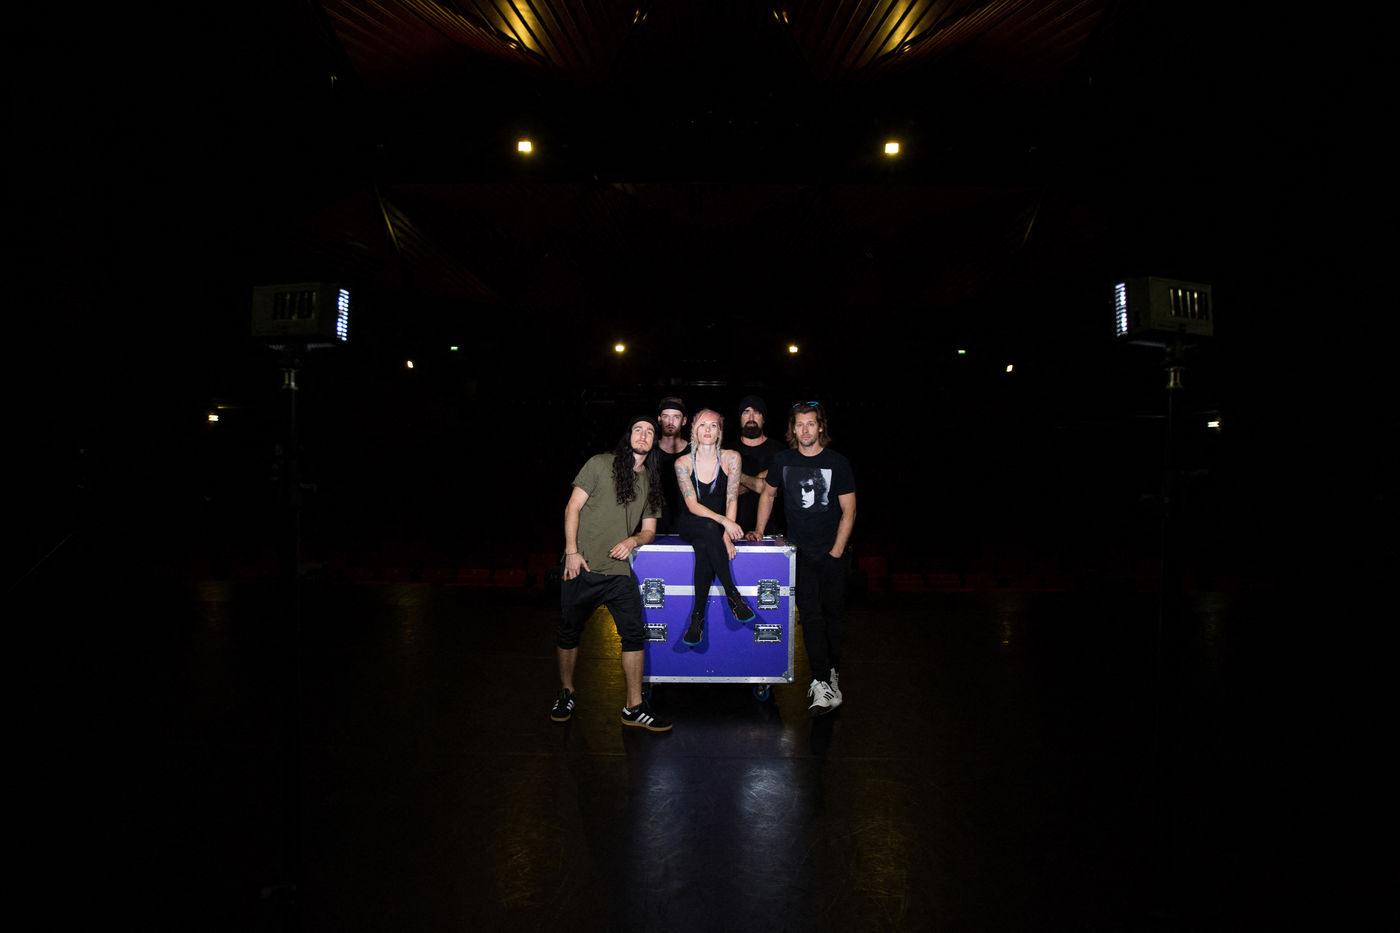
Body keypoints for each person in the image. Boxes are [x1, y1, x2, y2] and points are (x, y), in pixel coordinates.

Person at [552, 415, 672, 732]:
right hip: (583, 565)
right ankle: (566, 692)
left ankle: (633, 707)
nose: (643, 435)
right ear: (628, 435)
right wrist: (572, 552)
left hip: (619, 573)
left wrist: (633, 541)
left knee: (633, 634)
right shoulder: (600, 464)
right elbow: (572, 507)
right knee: (569, 631)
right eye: (638, 429)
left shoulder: (650, 481)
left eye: (650, 431)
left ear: (655, 442)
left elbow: (649, 531)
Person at [747, 402, 856, 717]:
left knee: (833, 617)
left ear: (820, 427)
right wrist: (759, 530)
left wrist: (836, 552)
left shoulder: (837, 463)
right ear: (793, 429)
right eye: (799, 424)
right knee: (810, 617)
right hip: (801, 554)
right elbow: (768, 494)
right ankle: (821, 682)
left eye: (811, 424)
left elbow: (849, 510)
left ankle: (832, 673)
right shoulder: (783, 460)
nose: (805, 430)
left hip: (834, 553)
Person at [675, 408, 757, 646]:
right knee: (708, 530)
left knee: (704, 546)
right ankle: (733, 594)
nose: (708, 430)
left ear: (720, 431)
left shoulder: (731, 458)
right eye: (702, 425)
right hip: (691, 522)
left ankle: (697, 618)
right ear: (694, 431)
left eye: (713, 425)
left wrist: (727, 537)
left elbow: (732, 499)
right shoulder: (682, 463)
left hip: (714, 530)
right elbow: (692, 505)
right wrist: (725, 524)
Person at [733, 394, 785, 535]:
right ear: (740, 418)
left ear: (764, 418)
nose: (751, 418)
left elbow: (777, 491)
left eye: (756, 412)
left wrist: (738, 477)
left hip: (770, 531)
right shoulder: (727, 451)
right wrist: (761, 480)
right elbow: (727, 492)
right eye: (746, 412)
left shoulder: (780, 452)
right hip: (733, 530)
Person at [653, 397, 689, 535]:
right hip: (654, 523)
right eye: (666, 416)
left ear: (684, 421)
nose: (670, 422)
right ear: (659, 419)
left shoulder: (694, 452)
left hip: (687, 522)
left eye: (676, 417)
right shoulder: (649, 451)